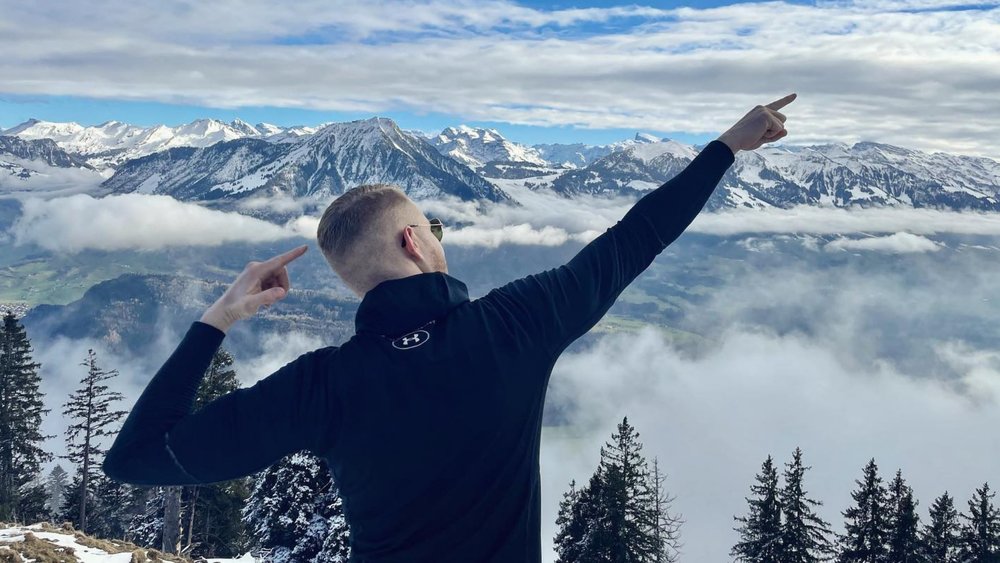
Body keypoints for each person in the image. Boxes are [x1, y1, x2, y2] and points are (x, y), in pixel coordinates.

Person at [102, 93, 796, 562]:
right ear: (413, 241)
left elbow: (135, 457)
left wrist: (218, 315)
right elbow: (634, 238)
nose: (440, 234)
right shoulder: (516, 324)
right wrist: (728, 146)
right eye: (433, 224)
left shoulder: (322, 387)